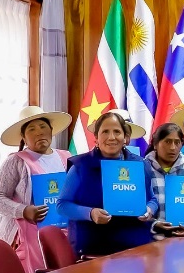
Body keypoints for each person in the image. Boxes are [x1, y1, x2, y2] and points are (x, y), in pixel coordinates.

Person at [57, 110, 157, 257]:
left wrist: (149, 210)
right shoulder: (80, 166)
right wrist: (90, 213)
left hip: (136, 247)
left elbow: (152, 199)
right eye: (105, 132)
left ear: (125, 138)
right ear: (96, 138)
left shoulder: (140, 165)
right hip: (94, 249)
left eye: (117, 132)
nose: (111, 137)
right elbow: (62, 205)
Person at [0, 105, 73, 273]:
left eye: (43, 127)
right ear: (23, 137)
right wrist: (24, 210)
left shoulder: (67, 157)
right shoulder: (16, 161)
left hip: (64, 230)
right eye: (32, 129)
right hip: (30, 236)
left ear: (51, 130)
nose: (39, 133)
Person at [145, 123, 184, 239]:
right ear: (155, 144)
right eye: (167, 142)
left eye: (177, 142)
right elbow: (139, 208)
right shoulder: (143, 166)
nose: (172, 147)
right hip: (150, 240)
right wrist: (154, 225)